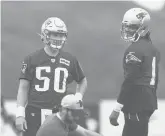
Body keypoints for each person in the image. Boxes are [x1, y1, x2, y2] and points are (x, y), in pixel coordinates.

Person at [15, 17, 87, 136]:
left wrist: (78, 97)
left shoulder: (70, 59)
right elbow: (23, 88)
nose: (58, 39)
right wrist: (20, 114)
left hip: (58, 114)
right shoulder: (31, 59)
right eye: (55, 35)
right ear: (45, 35)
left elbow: (82, 80)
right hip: (34, 113)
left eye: (61, 35)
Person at [109, 8, 160, 136]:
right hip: (148, 100)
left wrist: (117, 108)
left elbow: (130, 80)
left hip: (136, 101)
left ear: (143, 28)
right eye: (126, 27)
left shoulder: (134, 50)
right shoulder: (152, 48)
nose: (127, 30)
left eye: (132, 27)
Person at [36, 94, 102, 136]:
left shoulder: (62, 118)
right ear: (65, 110)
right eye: (75, 113)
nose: (77, 117)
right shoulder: (56, 130)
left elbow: (85, 133)